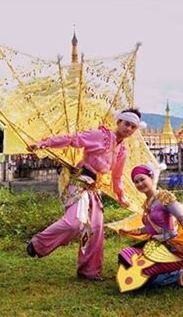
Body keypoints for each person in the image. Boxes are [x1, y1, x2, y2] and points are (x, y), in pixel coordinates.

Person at [26, 108, 144, 281]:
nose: (128, 129)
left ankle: (89, 271)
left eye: (133, 127)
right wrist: (44, 143)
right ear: (118, 122)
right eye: (126, 124)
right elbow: (72, 139)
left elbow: (117, 177)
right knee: (74, 223)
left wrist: (121, 196)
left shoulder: (122, 151)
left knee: (95, 229)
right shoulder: (100, 135)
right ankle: (38, 244)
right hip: (79, 184)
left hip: (94, 189)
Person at [117, 164, 183, 292]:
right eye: (136, 182)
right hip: (154, 244)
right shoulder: (147, 203)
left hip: (170, 248)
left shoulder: (164, 197)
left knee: (142, 275)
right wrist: (130, 231)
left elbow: (181, 217)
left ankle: (174, 274)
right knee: (124, 256)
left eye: (142, 179)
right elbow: (149, 228)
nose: (140, 183)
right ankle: (161, 276)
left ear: (151, 177)